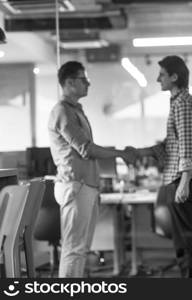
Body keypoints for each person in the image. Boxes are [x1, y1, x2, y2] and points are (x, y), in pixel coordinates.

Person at [48, 61, 135, 277]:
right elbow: (85, 149)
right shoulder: (62, 111)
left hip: (85, 185)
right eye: (83, 79)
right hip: (75, 185)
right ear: (69, 82)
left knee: (81, 249)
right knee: (74, 249)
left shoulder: (75, 110)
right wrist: (121, 154)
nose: (88, 84)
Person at [128, 55, 192, 277]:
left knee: (186, 241)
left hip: (183, 180)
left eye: (161, 74)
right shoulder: (177, 103)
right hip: (179, 178)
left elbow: (188, 145)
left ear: (174, 76)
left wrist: (183, 183)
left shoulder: (182, 103)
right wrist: (139, 153)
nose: (157, 79)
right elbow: (171, 144)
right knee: (183, 241)